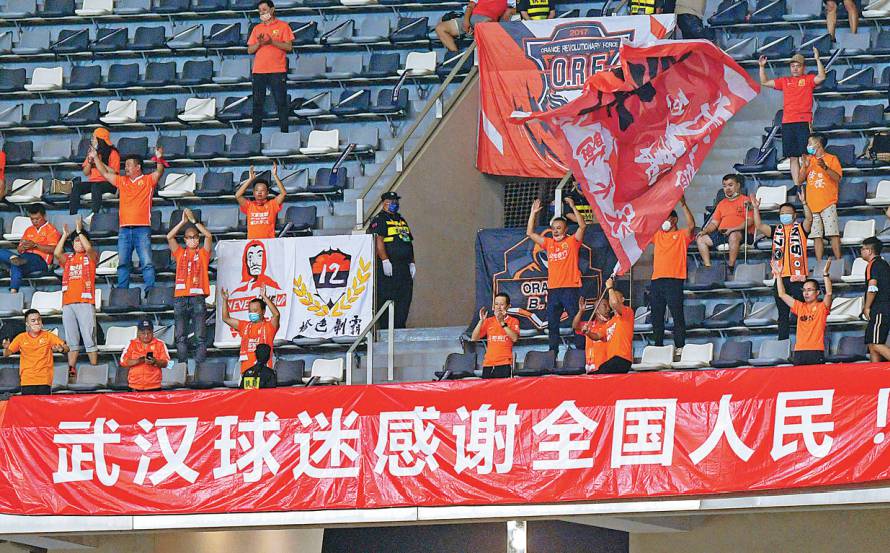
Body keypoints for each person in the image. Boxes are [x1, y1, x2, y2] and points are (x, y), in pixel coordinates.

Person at [93, 147, 165, 291]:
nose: (125, 167)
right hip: (124, 229)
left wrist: (159, 158)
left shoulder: (147, 180)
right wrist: (95, 157)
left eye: (129, 165)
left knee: (147, 262)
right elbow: (105, 173)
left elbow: (159, 172)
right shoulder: (122, 181)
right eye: (125, 165)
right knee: (123, 263)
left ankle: (150, 291)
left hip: (142, 228)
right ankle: (122, 292)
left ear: (138, 167)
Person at [758, 49, 826, 188]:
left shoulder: (807, 79)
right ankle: (797, 185)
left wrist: (818, 59)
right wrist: (761, 66)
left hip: (803, 121)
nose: (795, 68)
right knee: (792, 156)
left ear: (803, 67)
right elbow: (764, 82)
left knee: (806, 154)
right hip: (788, 121)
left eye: (798, 66)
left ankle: (808, 181)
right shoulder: (785, 81)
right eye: (793, 66)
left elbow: (821, 77)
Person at [527, 197, 586, 352]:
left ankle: (581, 349)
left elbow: (582, 225)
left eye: (559, 228)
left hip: (570, 288)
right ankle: (553, 351)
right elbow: (530, 233)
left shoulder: (573, 241)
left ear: (566, 229)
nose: (555, 230)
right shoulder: (548, 243)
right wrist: (533, 213)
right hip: (553, 289)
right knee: (552, 323)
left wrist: (573, 206)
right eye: (553, 228)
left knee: (576, 320)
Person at [752, 199, 814, 341]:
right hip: (780, 279)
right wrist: (755, 208)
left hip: (797, 279)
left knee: (802, 313)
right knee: (783, 315)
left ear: (794, 216)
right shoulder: (776, 230)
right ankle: (783, 343)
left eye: (787, 213)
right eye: (782, 213)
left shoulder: (801, 229)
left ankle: (805, 342)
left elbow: (809, 219)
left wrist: (805, 202)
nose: (784, 215)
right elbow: (759, 225)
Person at [54, 219, 99, 377]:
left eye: (80, 240)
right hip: (68, 304)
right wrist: (65, 235)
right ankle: (71, 371)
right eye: (75, 241)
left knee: (89, 338)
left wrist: (80, 231)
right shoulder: (69, 259)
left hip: (85, 302)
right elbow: (56, 253)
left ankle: (94, 370)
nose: (77, 243)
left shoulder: (91, 257)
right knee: (72, 341)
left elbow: (89, 248)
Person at [167, 208, 212, 364]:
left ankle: (200, 368)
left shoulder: (204, 253)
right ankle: (182, 367)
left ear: (198, 239)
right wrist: (182, 222)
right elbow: (169, 236)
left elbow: (209, 235)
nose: (192, 240)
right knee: (180, 336)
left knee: (200, 336)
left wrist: (194, 222)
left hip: (197, 298)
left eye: (194, 237)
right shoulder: (179, 252)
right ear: (185, 240)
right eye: (189, 238)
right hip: (180, 298)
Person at [651, 197, 695, 350]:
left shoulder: (682, 235)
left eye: (666, 218)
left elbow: (691, 225)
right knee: (656, 317)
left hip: (674, 280)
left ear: (674, 219)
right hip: (656, 280)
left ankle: (680, 347)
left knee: (677, 315)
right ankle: (658, 347)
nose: (663, 222)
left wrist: (683, 204)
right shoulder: (657, 236)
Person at [370, 191, 416, 329]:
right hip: (389, 266)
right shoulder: (380, 220)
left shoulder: (401, 220)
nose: (394, 204)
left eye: (396, 201)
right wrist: (384, 260)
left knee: (404, 297)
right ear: (384, 202)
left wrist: (412, 262)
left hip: (403, 266)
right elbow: (379, 241)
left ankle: (400, 326)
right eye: (391, 201)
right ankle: (386, 328)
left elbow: (408, 242)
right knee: (388, 296)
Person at [247, 0, 293, 135]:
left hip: (277, 70)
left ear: (272, 10)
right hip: (259, 70)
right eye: (260, 10)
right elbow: (250, 50)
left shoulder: (283, 26)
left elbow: (289, 47)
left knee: (281, 102)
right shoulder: (257, 28)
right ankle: (255, 133)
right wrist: (260, 43)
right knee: (257, 103)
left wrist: (271, 41)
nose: (262, 13)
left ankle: (284, 132)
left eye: (264, 9)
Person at [774, 261, 833, 365]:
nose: (806, 293)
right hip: (799, 351)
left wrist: (825, 274)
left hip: (816, 351)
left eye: (809, 290)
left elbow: (829, 293)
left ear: (817, 293)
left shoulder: (822, 307)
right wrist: (779, 276)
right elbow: (782, 294)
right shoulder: (799, 307)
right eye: (804, 290)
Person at [695, 174, 754, 273]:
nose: (727, 188)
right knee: (700, 238)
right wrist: (705, 231)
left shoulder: (746, 201)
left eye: (730, 185)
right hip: (722, 233)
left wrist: (732, 229)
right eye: (725, 186)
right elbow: (714, 223)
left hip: (740, 233)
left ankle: (730, 266)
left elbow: (750, 221)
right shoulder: (721, 204)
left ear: (738, 185)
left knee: (733, 236)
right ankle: (708, 266)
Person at [2, 310, 69, 395]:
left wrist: (62, 349)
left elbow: (67, 348)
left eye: (39, 319)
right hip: (27, 380)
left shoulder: (49, 336)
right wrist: (6, 348)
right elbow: (6, 354)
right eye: (33, 320)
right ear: (27, 323)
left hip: (44, 379)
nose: (37, 322)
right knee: (28, 407)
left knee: (43, 407)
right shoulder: (20, 338)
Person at [800, 133, 843, 263]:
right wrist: (804, 166)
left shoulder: (831, 158)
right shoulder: (809, 160)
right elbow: (799, 180)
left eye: (810, 143)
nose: (808, 146)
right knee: (816, 236)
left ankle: (838, 260)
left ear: (818, 144)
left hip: (828, 202)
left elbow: (838, 178)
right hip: (812, 205)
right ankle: (819, 263)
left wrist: (825, 167)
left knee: (833, 234)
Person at [576, 278, 633, 374]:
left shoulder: (627, 312)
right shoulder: (609, 322)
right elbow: (597, 336)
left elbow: (615, 304)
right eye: (611, 296)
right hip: (612, 359)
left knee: (598, 374)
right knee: (598, 373)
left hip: (622, 357)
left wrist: (610, 288)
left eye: (615, 296)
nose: (612, 298)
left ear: (622, 299)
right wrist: (588, 332)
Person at [0, 204, 61, 293]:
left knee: (17, 263)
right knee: (12, 259)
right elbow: (19, 249)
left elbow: (54, 249)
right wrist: (22, 247)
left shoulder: (51, 230)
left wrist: (35, 245)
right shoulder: (29, 230)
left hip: (40, 261)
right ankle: (13, 290)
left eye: (37, 219)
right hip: (25, 258)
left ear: (44, 216)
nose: (35, 221)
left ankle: (13, 289)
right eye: (32, 219)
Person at [220, 288, 280, 373]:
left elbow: (276, 314)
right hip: (245, 372)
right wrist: (225, 300)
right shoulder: (244, 326)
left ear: (263, 311)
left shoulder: (269, 326)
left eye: (255, 311)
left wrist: (264, 297)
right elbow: (226, 318)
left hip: (263, 371)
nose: (252, 313)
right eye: (250, 311)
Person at [470, 292, 520, 378]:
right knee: (487, 391)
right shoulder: (489, 321)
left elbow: (515, 338)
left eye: (501, 304)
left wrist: (502, 322)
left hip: (504, 362)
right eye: (496, 304)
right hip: (488, 363)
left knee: (504, 390)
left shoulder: (513, 321)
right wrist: (481, 321)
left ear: (508, 306)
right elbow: (474, 338)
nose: (498, 307)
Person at [71, 127, 120, 216]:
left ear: (100, 140)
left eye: (94, 138)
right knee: (77, 186)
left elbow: (114, 173)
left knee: (96, 186)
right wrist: (90, 161)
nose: (92, 140)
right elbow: (86, 173)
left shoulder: (113, 153)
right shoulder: (92, 152)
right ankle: (73, 214)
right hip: (93, 182)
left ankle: (94, 214)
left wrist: (98, 160)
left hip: (109, 184)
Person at [235, 162, 286, 239]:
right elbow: (237, 195)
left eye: (262, 190)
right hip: (252, 243)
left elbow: (283, 194)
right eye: (256, 190)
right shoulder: (249, 206)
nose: (259, 192)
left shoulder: (272, 204)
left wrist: (275, 175)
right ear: (253, 193)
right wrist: (250, 179)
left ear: (267, 193)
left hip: (269, 242)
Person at [435, 0, 508, 52]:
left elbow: (518, 8)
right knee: (440, 28)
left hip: (488, 21)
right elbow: (470, 6)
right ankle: (455, 56)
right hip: (471, 18)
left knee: (486, 25)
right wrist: (466, 22)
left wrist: (509, 12)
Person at [861, 236, 890, 362]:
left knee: (877, 343)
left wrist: (867, 307)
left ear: (869, 251)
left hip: (880, 308)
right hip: (883, 308)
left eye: (862, 249)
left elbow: (873, 288)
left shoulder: (873, 265)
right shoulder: (883, 263)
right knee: (872, 344)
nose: (861, 251)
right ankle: (875, 377)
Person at [120, 319, 170, 392]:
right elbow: (122, 362)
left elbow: (169, 364)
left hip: (154, 386)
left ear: (153, 332)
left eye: (149, 333)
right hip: (134, 386)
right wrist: (140, 360)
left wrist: (155, 361)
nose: (146, 336)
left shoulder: (160, 344)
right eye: (143, 333)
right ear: (138, 332)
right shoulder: (131, 343)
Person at [572, 296, 610, 374]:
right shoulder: (589, 325)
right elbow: (575, 326)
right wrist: (581, 311)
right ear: (597, 310)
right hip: (590, 368)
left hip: (604, 369)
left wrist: (588, 333)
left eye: (609, 306)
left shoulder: (610, 325)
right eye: (605, 306)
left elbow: (597, 336)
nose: (608, 309)